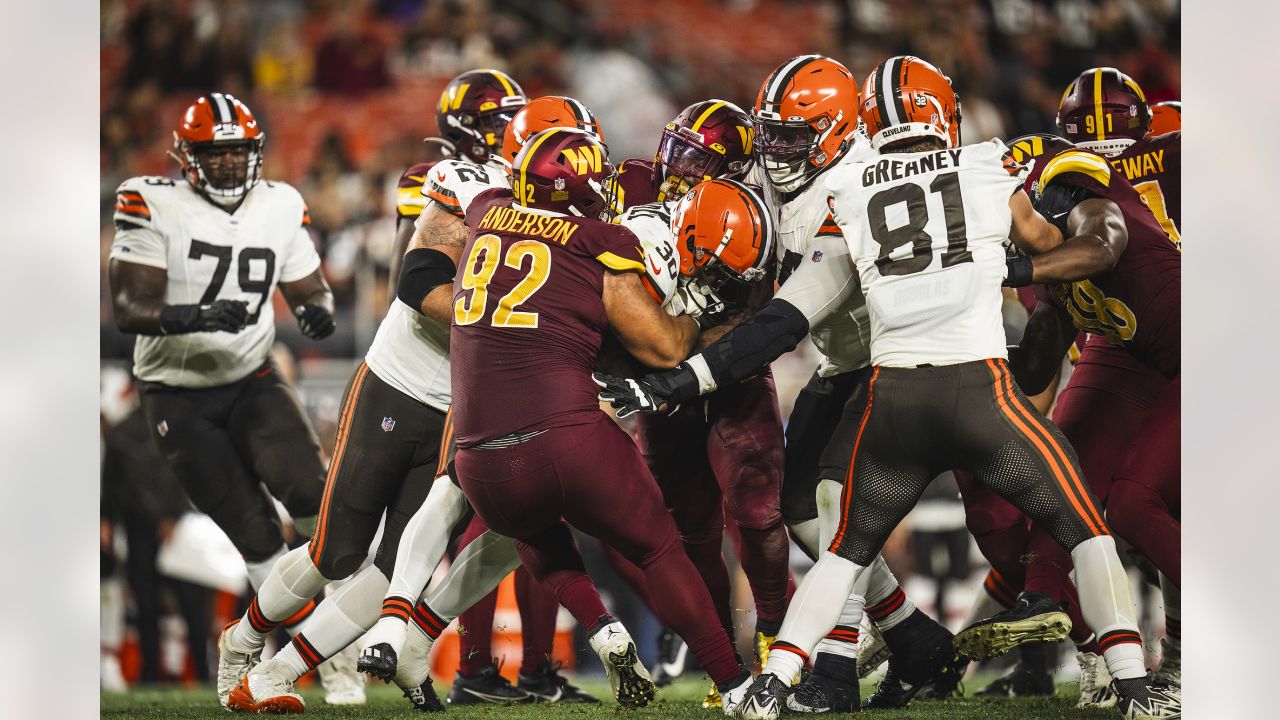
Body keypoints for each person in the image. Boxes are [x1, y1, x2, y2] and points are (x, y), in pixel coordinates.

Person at [597, 55, 1178, 719]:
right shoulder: (974, 164)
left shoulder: (852, 191)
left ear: (854, 126)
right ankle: (1090, 672)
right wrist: (1020, 263)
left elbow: (789, 318)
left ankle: (806, 676)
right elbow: (1050, 228)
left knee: (861, 534)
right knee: (834, 516)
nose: (776, 151)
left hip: (887, 377)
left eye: (793, 136)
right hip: (933, 376)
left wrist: (683, 375)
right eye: (773, 135)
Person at [448, 126, 755, 711]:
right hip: (564, 435)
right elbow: (664, 348)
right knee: (659, 550)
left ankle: (601, 628)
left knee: (536, 536)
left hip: (477, 459)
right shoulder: (601, 241)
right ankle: (736, 685)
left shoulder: (486, 212)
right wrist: (700, 318)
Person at [106, 92, 363, 708]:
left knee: (314, 503)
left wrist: (316, 312)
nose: (225, 165)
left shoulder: (280, 203)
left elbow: (309, 287)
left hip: (252, 379)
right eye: (211, 154)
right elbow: (127, 308)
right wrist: (194, 315)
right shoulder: (150, 199)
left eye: (235, 152)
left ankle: (341, 655)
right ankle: (297, 659)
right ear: (185, 157)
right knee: (256, 536)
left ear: (255, 153)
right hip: (175, 395)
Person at [960, 68, 1183, 706]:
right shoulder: (1051, 276)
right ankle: (1103, 657)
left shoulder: (1071, 187)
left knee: (1140, 503)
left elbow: (1104, 243)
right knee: (1065, 480)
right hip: (1133, 347)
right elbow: (1035, 374)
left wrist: (1016, 263)